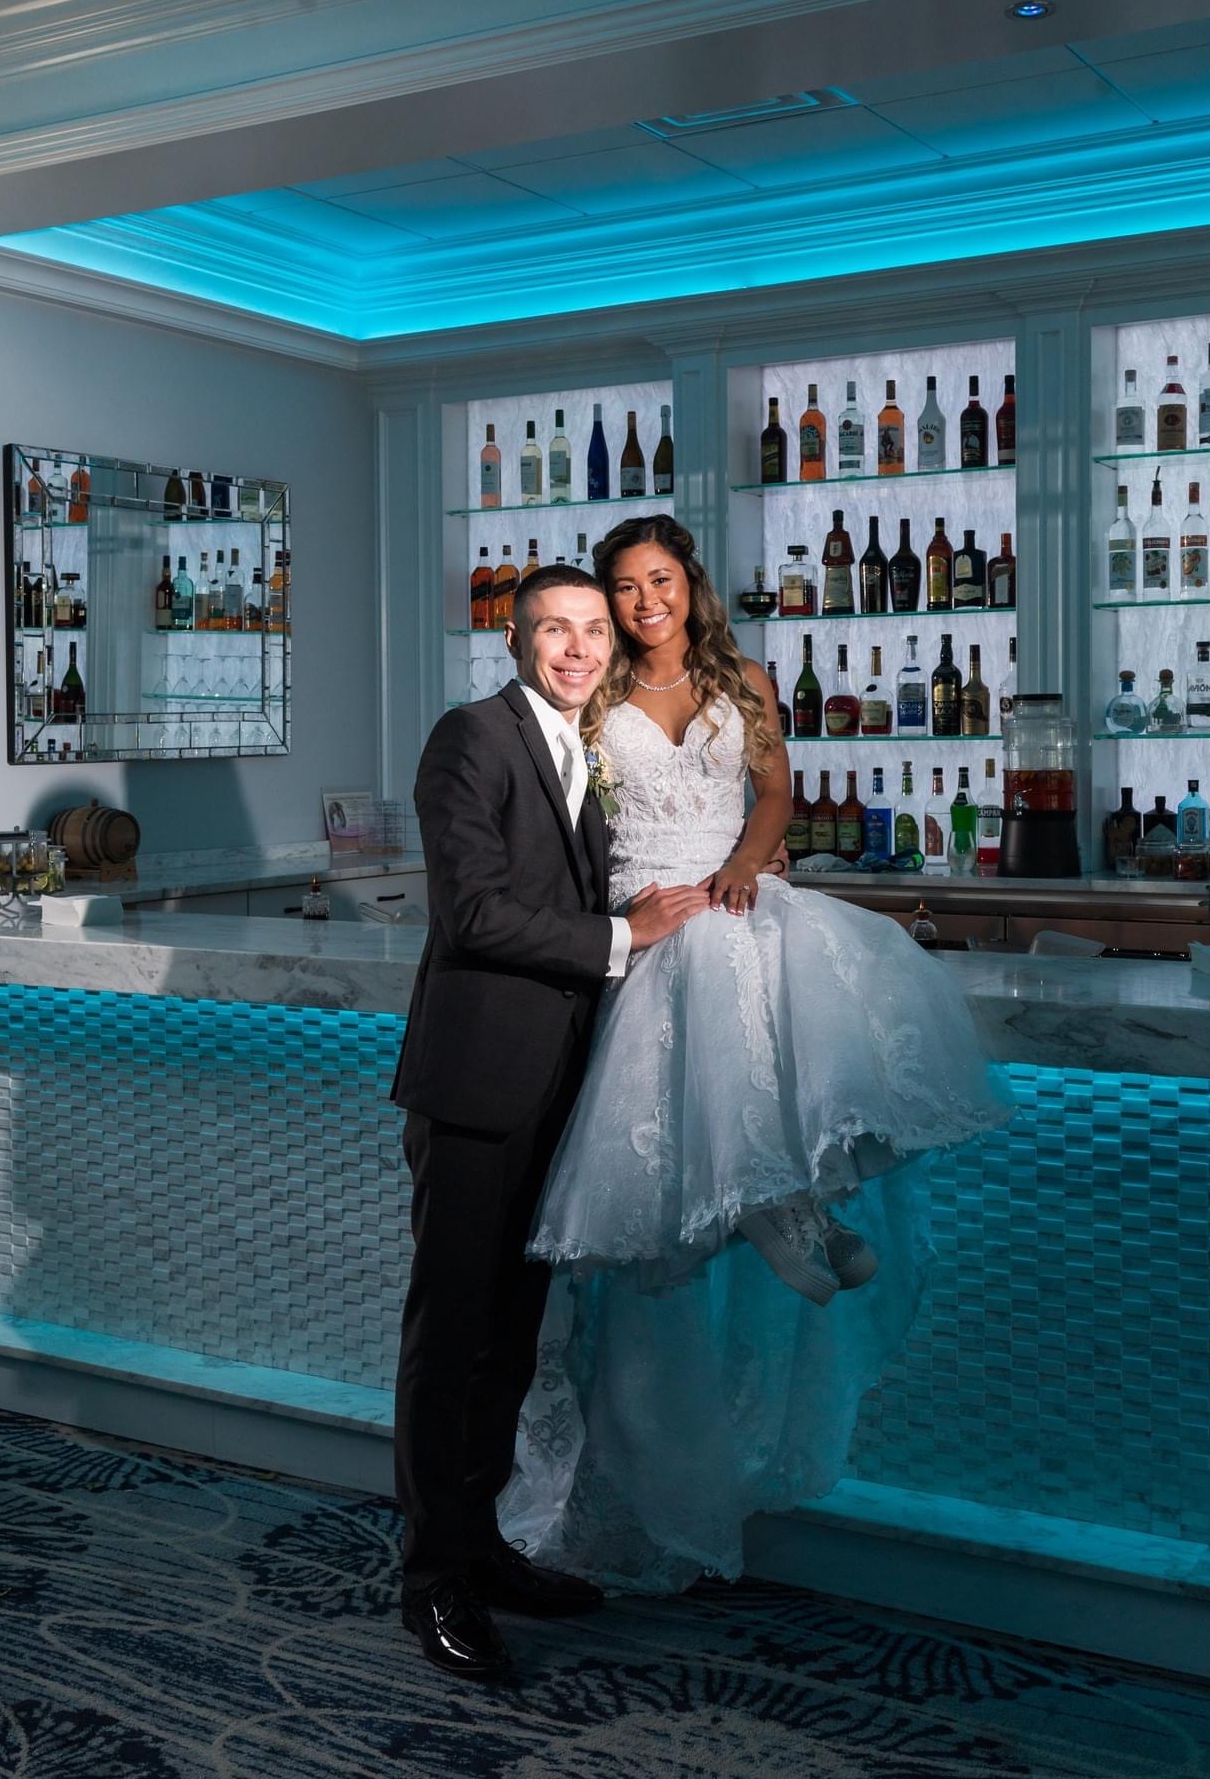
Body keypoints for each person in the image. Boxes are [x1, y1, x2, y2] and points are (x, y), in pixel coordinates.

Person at [502, 515, 1012, 1590]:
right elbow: (561, 818)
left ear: (690, 585)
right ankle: (787, 1214)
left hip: (738, 889)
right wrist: (613, 906)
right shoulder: (590, 692)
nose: (644, 601)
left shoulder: (745, 680)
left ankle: (791, 1204)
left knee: (770, 992)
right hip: (646, 913)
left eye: (660, 580)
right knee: (692, 990)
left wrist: (744, 861)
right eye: (625, 587)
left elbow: (775, 793)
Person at [390, 563, 714, 1679]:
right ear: (516, 635)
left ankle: (481, 1547)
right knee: (449, 1338)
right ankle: (430, 1579)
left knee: (509, 1340)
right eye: (553, 629)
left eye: (592, 628)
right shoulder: (470, 736)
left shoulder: (592, 745)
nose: (576, 647)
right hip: (477, 1085)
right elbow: (472, 911)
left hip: (556, 1086)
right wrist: (627, 937)